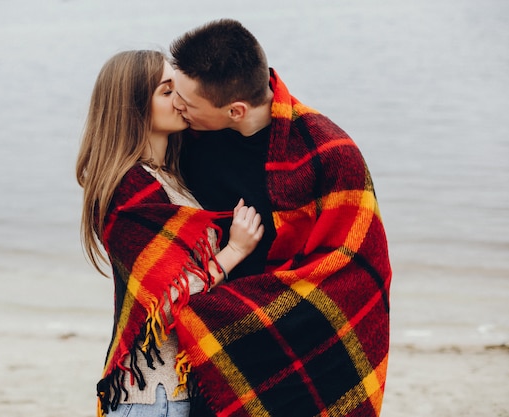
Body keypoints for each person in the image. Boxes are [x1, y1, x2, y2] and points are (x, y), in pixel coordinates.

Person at [169, 19, 392, 417]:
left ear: (235, 110)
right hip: (205, 347)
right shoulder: (187, 138)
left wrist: (221, 310)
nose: (177, 106)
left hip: (291, 337)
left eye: (187, 102)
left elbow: (354, 274)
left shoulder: (329, 154)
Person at [75, 50, 264, 417]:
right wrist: (234, 251)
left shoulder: (169, 179)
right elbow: (165, 301)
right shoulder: (126, 189)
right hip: (151, 395)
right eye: (166, 92)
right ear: (133, 108)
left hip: (178, 388)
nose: (181, 101)